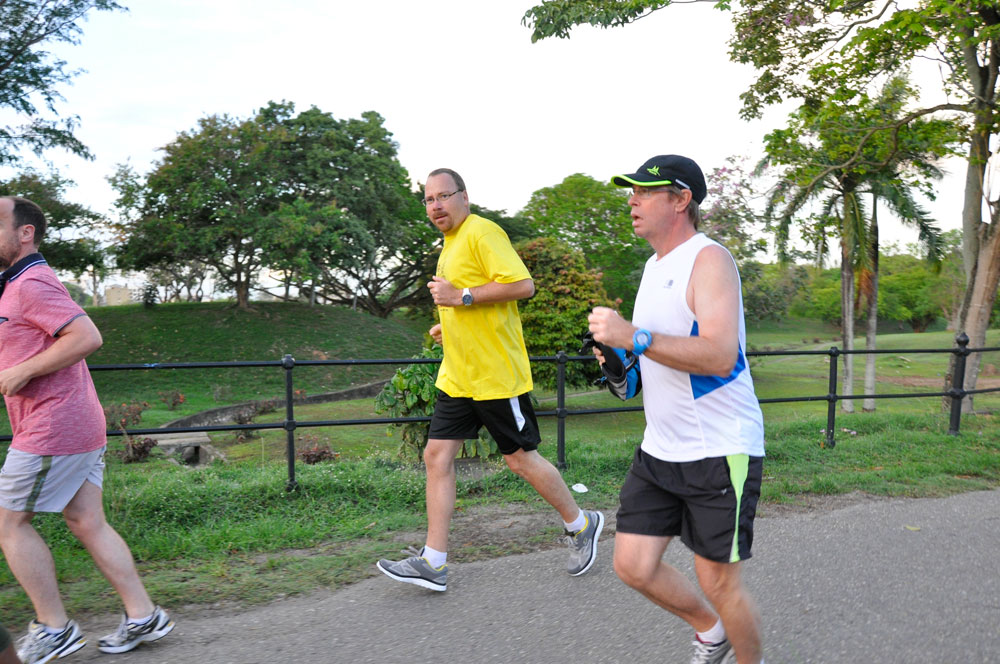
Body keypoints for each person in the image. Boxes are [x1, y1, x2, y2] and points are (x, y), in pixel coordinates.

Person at [377, 168, 603, 591]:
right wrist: (449, 325)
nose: (436, 206)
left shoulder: (482, 232)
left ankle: (581, 524)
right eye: (429, 200)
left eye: (444, 196)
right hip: (458, 376)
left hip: (495, 376)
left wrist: (460, 297)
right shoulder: (450, 243)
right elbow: (469, 304)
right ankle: (433, 562)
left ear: (464, 197)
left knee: (519, 460)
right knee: (436, 457)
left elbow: (523, 285)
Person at [587, 156, 766, 664]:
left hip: (720, 449)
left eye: (645, 192)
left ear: (681, 199)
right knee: (633, 565)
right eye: (632, 192)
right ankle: (711, 631)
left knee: (719, 582)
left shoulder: (709, 260)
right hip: (661, 450)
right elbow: (654, 359)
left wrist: (635, 336)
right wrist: (621, 364)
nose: (633, 201)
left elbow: (719, 354)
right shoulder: (653, 267)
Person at [0, 197, 174, 663]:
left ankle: (54, 628)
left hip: (53, 425)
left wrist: (22, 372)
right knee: (86, 521)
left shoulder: (32, 282)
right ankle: (144, 615)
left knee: (8, 524)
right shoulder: (14, 284)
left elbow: (87, 336)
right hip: (73, 422)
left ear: (25, 233)